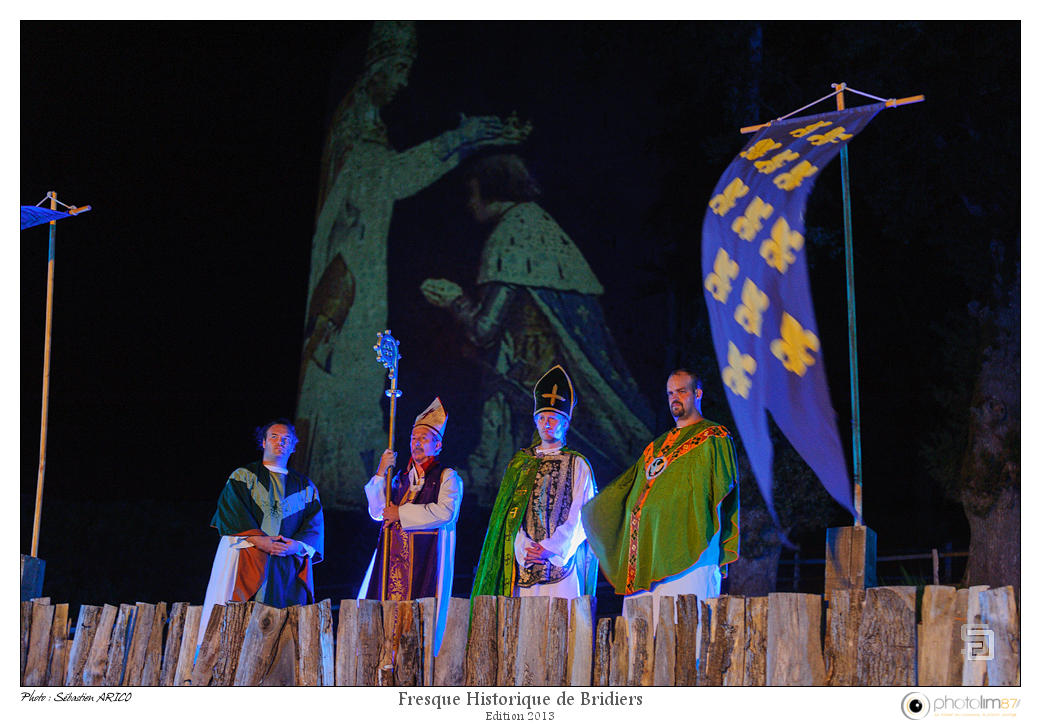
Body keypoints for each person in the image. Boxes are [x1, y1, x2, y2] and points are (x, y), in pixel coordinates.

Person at [295, 21, 528, 507]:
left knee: (361, 381)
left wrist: (468, 140)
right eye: (398, 68)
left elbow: (390, 178)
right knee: (345, 380)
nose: (403, 82)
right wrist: (463, 139)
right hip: (348, 277)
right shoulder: (354, 129)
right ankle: (333, 488)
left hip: (362, 273)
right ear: (376, 67)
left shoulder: (367, 129)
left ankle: (347, 486)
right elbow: (390, 179)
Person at [421, 154, 654, 506]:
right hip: (539, 374)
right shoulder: (539, 225)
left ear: (493, 189)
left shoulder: (512, 235)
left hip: (525, 377)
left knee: (519, 478)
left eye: (473, 193)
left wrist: (454, 300)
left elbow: (484, 330)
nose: (470, 203)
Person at [582, 369, 739, 627]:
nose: (674, 398)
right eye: (670, 393)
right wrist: (595, 511)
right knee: (643, 635)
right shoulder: (655, 447)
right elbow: (628, 489)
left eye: (682, 391)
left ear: (698, 393)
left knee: (686, 631)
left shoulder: (714, 437)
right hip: (647, 551)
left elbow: (716, 489)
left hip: (691, 553)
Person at [471, 365, 598, 601]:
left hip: (561, 565)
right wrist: (525, 548)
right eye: (541, 418)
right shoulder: (521, 463)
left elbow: (584, 513)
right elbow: (509, 517)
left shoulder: (578, 464)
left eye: (553, 418)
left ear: (565, 423)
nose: (546, 424)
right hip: (524, 563)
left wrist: (550, 548)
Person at [201, 419, 324, 638]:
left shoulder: (306, 487)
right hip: (248, 554)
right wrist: (259, 540)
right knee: (240, 626)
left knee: (285, 630)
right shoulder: (243, 477)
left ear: (293, 446)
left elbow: (313, 525)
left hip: (287, 563)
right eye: (274, 437)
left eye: (286, 439)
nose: (280, 442)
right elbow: (233, 512)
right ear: (264, 442)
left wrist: (295, 546)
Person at [358, 397, 462, 656]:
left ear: (438, 445)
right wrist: (381, 472)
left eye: (424, 438)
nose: (417, 443)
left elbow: (446, 513)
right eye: (414, 438)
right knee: (385, 622)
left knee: (417, 626)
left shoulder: (447, 477)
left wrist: (400, 513)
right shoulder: (398, 478)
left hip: (425, 560)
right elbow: (377, 513)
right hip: (392, 557)